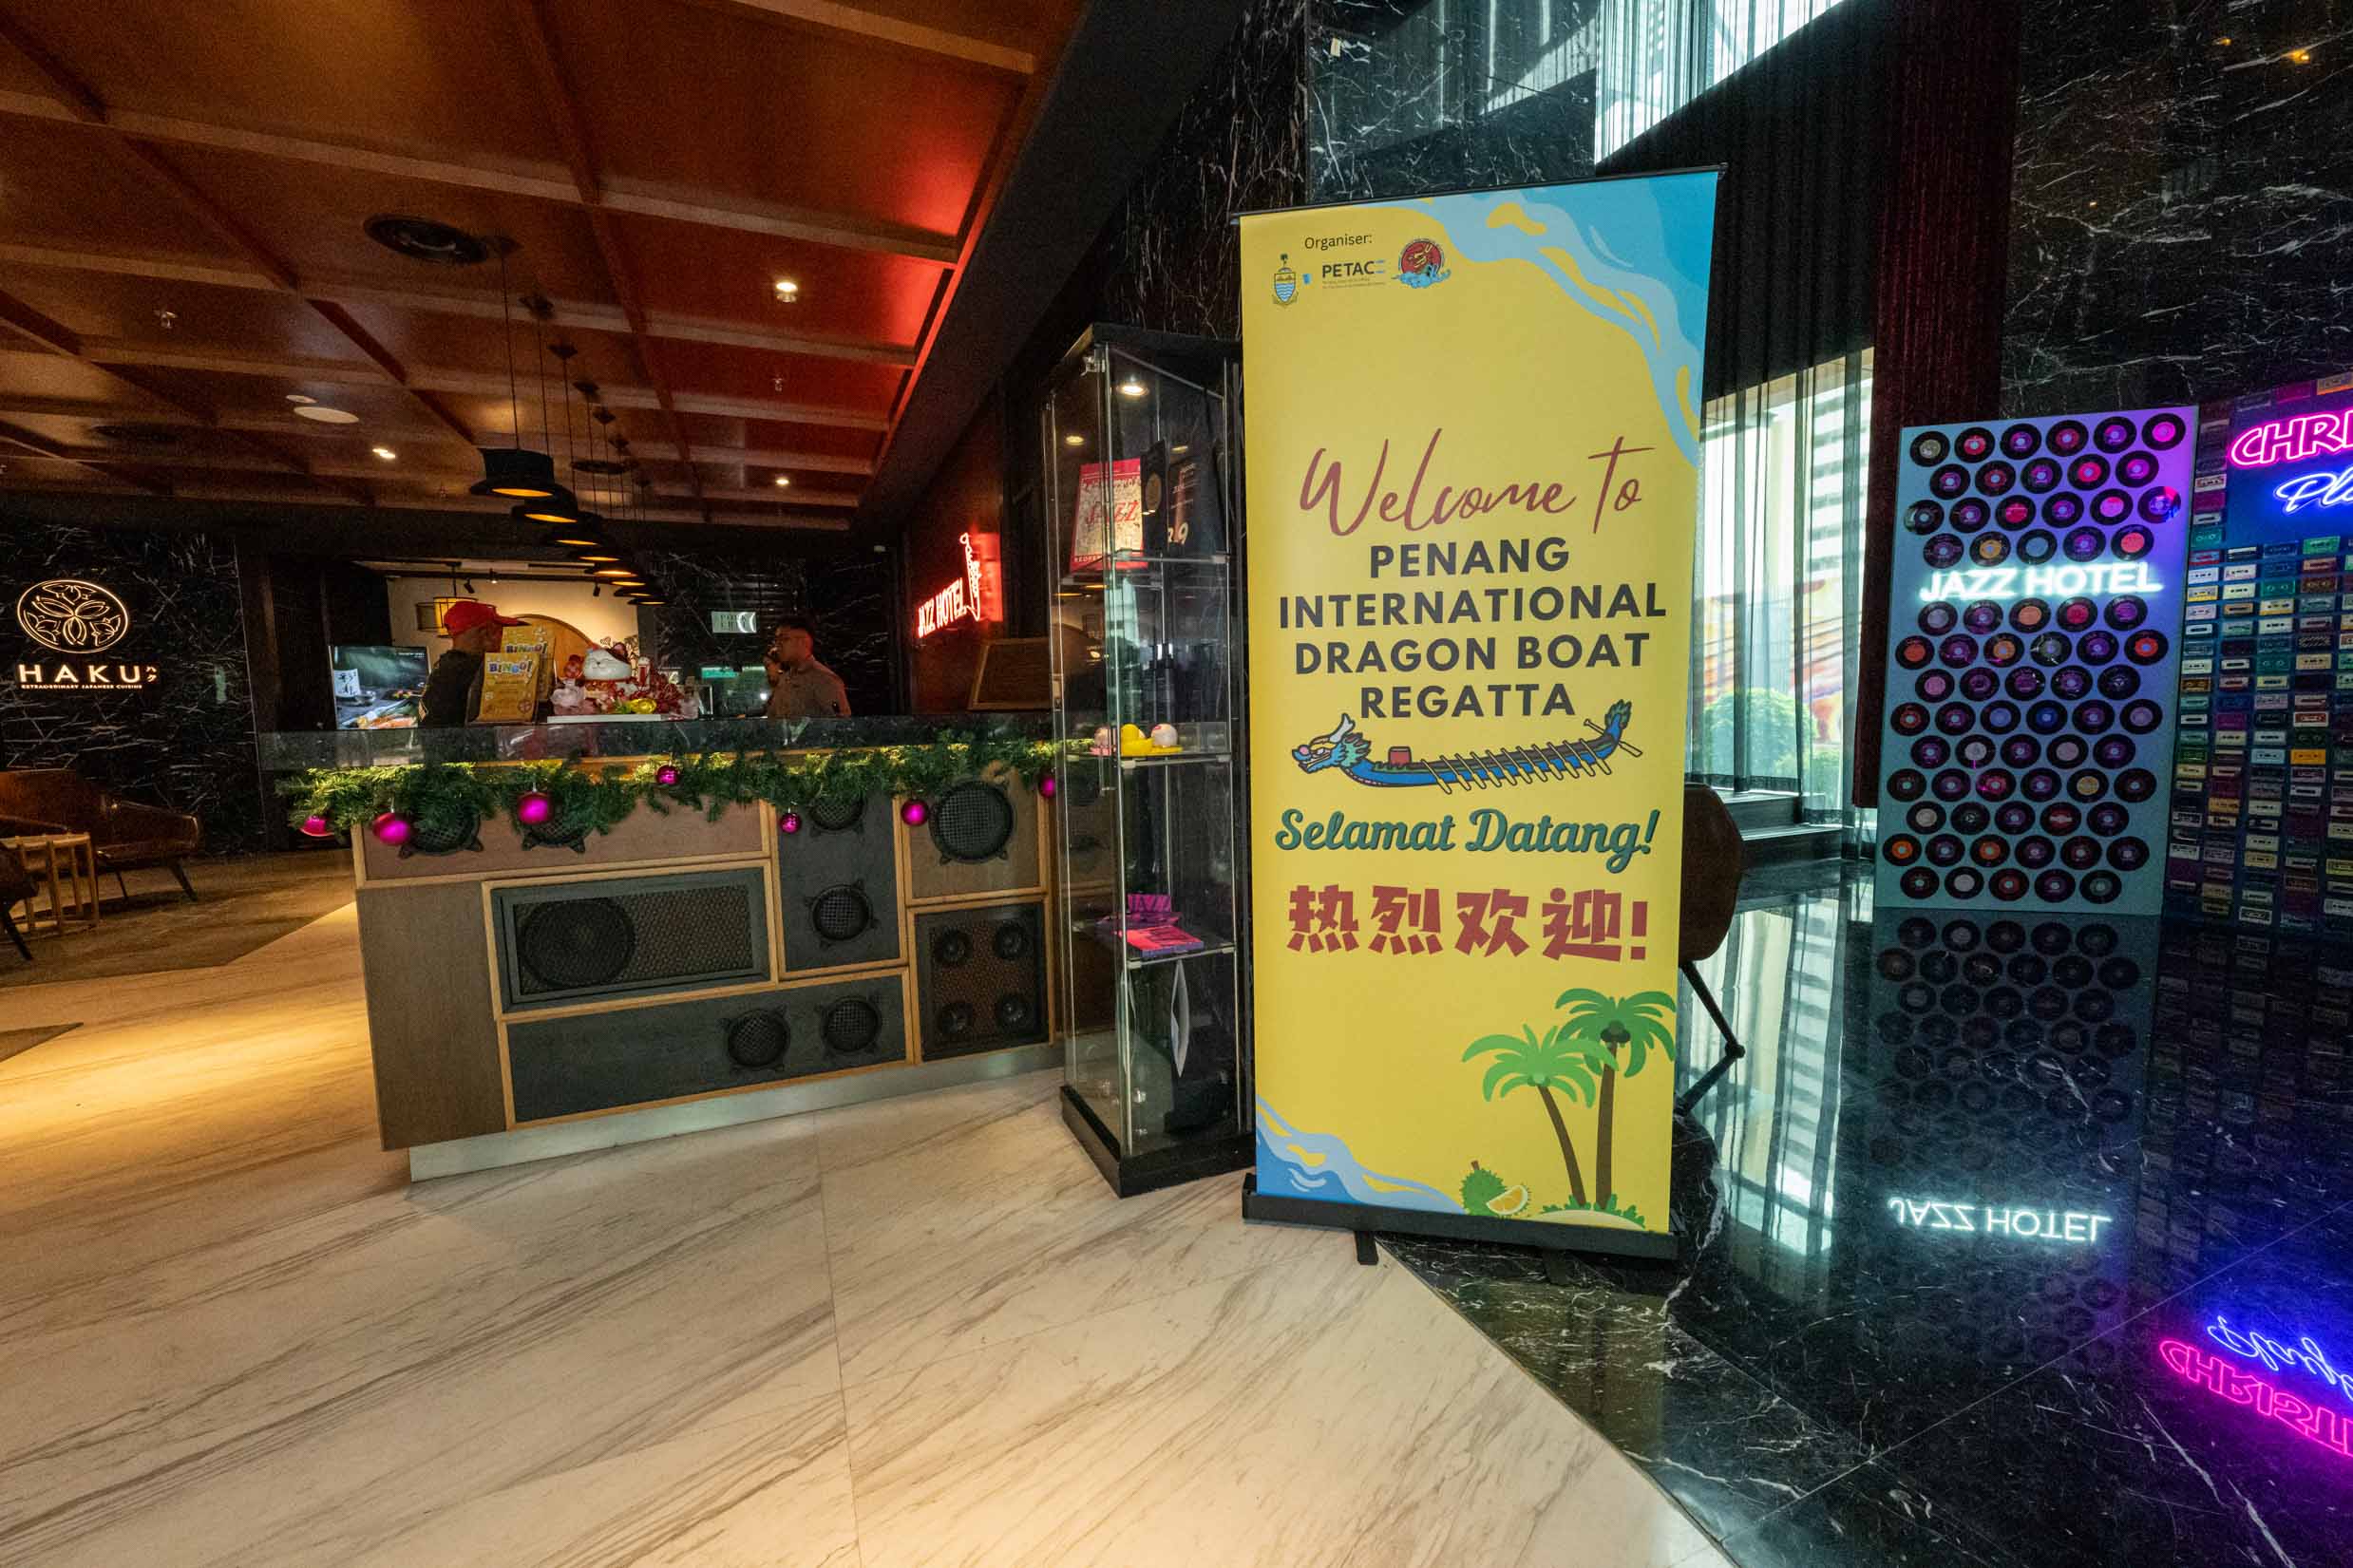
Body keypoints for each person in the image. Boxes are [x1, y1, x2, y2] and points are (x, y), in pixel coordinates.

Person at [419, 599, 523, 727]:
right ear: (486, 633)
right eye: (500, 632)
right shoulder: (476, 670)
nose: (502, 639)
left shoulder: (445, 665)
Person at [762, 616, 850, 718]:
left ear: (804, 642)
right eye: (776, 640)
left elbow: (840, 724)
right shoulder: (785, 679)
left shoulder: (824, 679)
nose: (777, 645)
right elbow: (773, 719)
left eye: (784, 639)